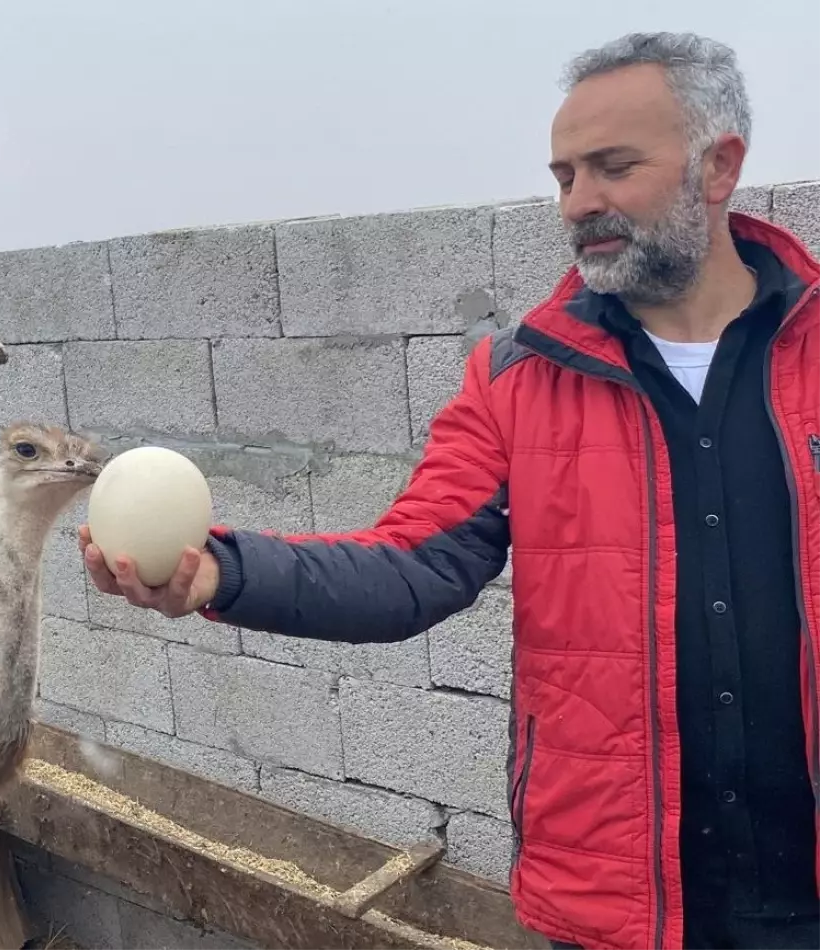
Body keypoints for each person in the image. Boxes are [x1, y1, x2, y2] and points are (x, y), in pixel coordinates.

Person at [79, 31, 820, 950]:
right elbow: (409, 569)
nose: (578, 202)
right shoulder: (516, 380)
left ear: (719, 166)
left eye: (611, 167)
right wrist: (218, 575)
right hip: (621, 908)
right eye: (562, 176)